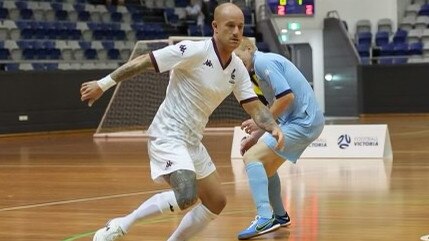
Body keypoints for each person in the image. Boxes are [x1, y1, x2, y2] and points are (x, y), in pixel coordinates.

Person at [80, 3, 284, 241]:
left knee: (216, 201)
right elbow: (145, 60)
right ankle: (120, 225)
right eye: (230, 26)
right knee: (186, 194)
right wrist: (102, 85)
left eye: (240, 26)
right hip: (167, 133)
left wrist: (273, 126)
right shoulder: (193, 50)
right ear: (215, 27)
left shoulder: (237, 68)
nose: (237, 32)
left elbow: (255, 107)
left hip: (192, 139)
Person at [233, 37, 325, 240]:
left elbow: (286, 97)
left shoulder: (263, 62)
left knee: (252, 158)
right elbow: (274, 107)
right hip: (297, 122)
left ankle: (265, 217)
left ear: (249, 48)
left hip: (303, 122)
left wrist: (257, 124)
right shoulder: (255, 71)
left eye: (238, 56)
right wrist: (256, 136)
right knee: (266, 167)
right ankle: (280, 217)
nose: (236, 61)